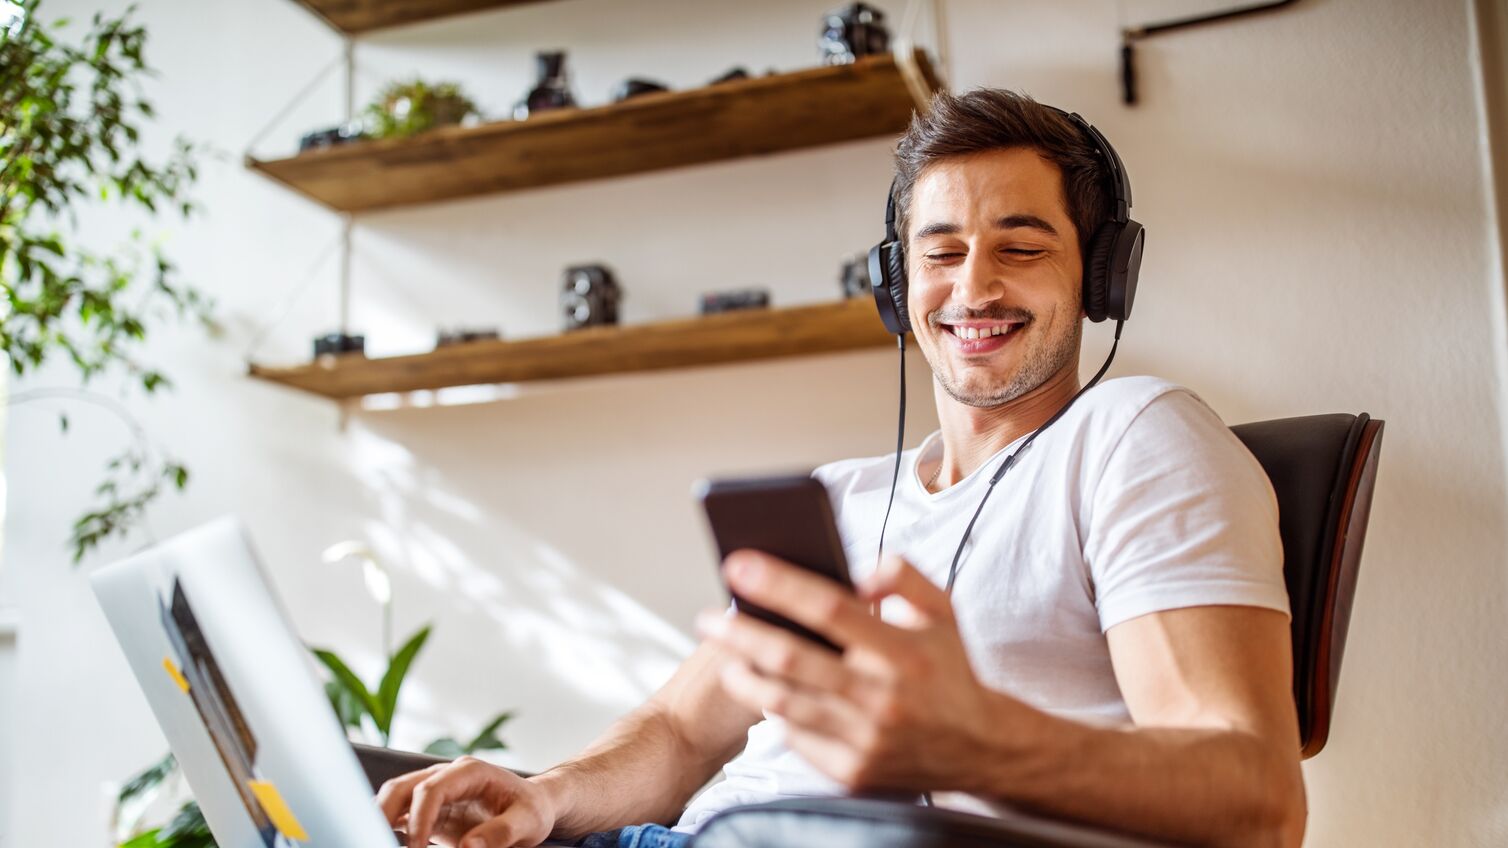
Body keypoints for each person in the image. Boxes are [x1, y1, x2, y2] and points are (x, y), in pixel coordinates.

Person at [376, 88, 1307, 848]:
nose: (973, 288)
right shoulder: (844, 496)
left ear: (1103, 276)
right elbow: (681, 731)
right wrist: (544, 797)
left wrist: (978, 744)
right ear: (900, 288)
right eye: (941, 253)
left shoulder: (1135, 437)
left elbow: (1257, 800)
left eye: (1022, 248)